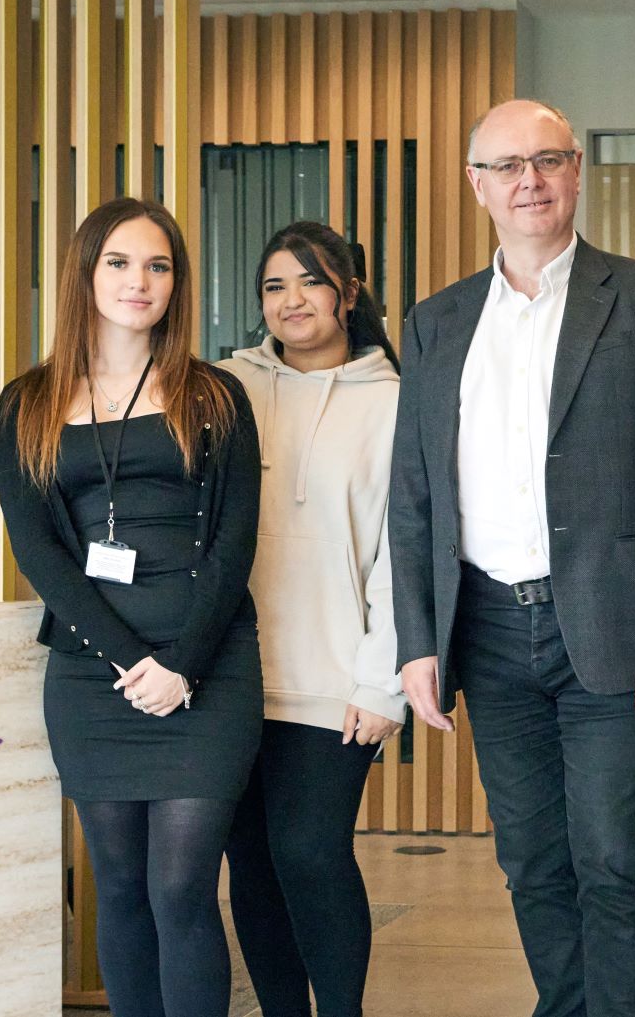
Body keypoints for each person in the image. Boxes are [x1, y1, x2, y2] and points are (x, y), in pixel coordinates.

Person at [387, 98, 635, 1016]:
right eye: (505, 166)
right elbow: (414, 492)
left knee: (610, 853)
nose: (527, 180)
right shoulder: (437, 321)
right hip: (488, 627)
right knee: (529, 855)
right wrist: (419, 639)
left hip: (611, 628)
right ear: (476, 186)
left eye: (545, 160)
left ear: (576, 171)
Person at [0, 196, 262, 1017]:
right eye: (118, 261)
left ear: (177, 283)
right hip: (91, 674)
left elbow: (234, 543)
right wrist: (126, 658)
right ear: (85, 272)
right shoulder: (27, 400)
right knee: (118, 885)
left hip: (205, 667)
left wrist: (180, 664)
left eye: (158, 265)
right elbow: (38, 550)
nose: (138, 281)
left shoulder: (215, 395)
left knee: (181, 886)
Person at [219, 221, 405, 1017]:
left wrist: (383, 678)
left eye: (310, 281)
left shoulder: (396, 401)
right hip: (229, 674)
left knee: (309, 849)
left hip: (335, 678)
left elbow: (404, 555)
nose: (291, 300)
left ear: (349, 293)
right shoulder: (224, 386)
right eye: (273, 285)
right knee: (251, 861)